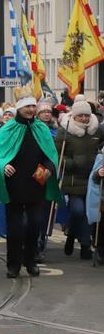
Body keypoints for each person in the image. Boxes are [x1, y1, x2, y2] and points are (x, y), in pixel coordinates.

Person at [0, 88, 61, 278]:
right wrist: (3, 166)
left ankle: (30, 260)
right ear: (19, 108)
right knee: (15, 228)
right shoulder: (8, 129)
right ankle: (13, 264)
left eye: (32, 106)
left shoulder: (41, 128)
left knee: (35, 224)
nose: (30, 110)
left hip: (36, 184)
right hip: (14, 185)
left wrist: (48, 168)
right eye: (27, 106)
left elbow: (50, 154)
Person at [55, 95, 100, 260]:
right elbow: (57, 155)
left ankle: (83, 245)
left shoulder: (96, 130)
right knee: (77, 211)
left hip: (92, 180)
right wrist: (70, 163)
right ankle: (74, 235)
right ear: (74, 116)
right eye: (80, 115)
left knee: (88, 214)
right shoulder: (65, 132)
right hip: (72, 180)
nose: (84, 118)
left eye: (86, 115)